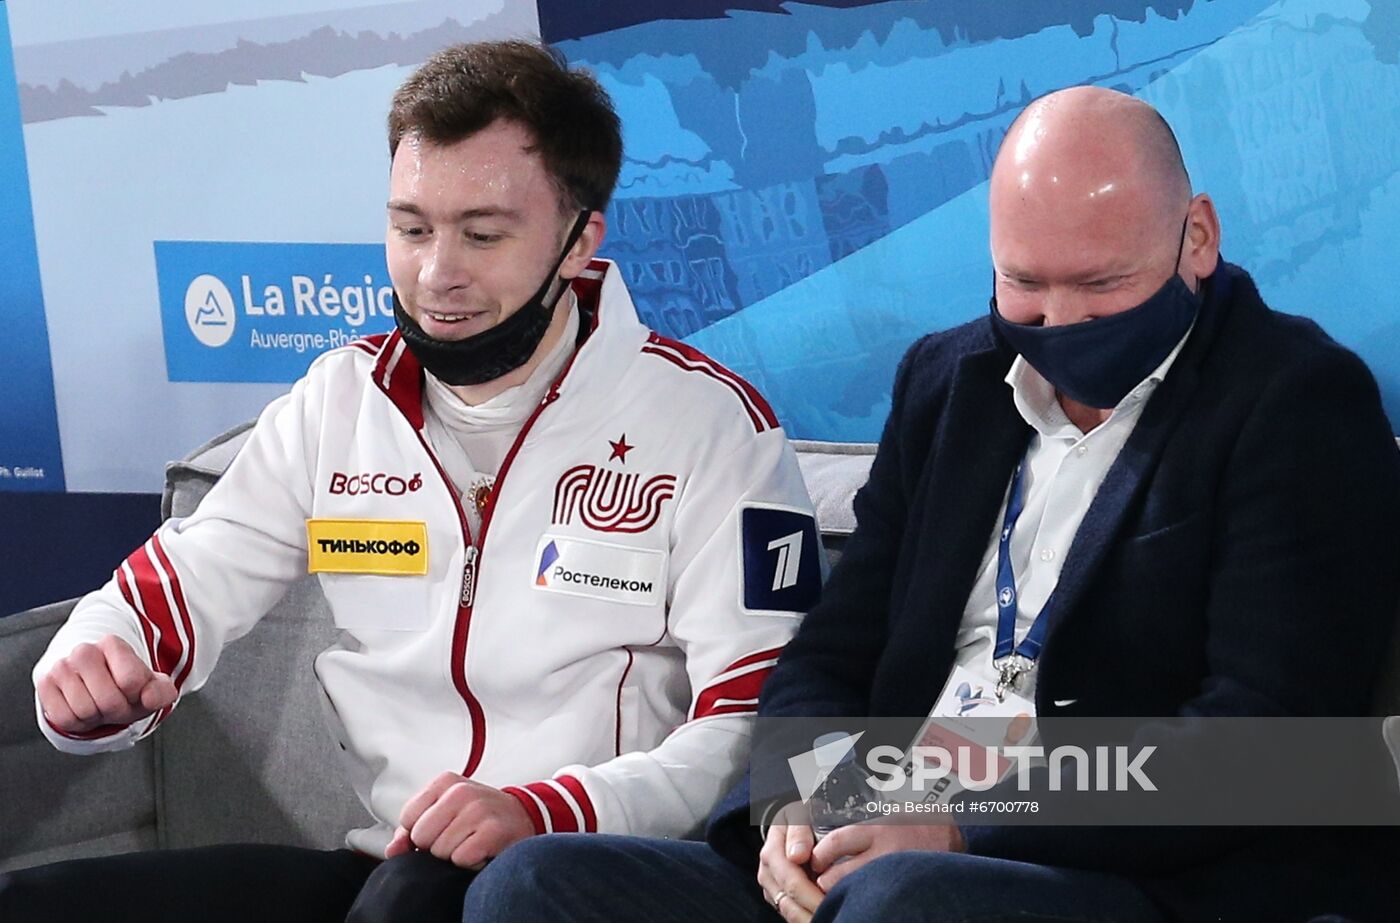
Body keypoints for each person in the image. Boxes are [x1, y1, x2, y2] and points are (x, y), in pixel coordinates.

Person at [460, 86, 1400, 922]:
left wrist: (964, 824)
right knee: (534, 885)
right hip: (883, 847)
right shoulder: (948, 383)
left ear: (1196, 236)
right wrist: (806, 806)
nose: (1060, 323)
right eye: (1024, 284)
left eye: (1102, 284)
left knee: (907, 898)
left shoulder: (1297, 401)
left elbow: (1270, 743)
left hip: (1108, 871)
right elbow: (829, 655)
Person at [0, 40, 819, 923]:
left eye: (483, 233)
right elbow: (174, 589)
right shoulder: (339, 402)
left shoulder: (713, 427)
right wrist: (95, 666)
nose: (437, 275)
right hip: (386, 865)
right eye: (412, 227)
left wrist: (553, 808)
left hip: (585, 872)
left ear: (581, 241)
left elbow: (756, 727)